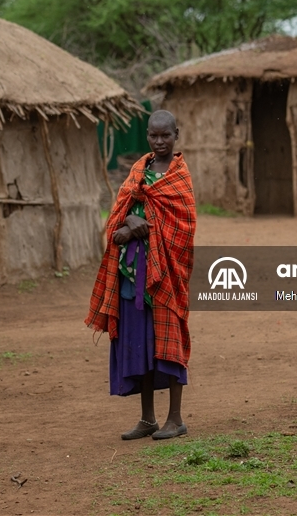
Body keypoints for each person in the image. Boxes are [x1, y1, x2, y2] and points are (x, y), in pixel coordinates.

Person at [86, 110, 196, 440]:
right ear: (146, 136)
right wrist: (127, 226)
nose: (159, 141)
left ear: (177, 134)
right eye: (153, 136)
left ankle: (175, 419)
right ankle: (148, 418)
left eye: (166, 135)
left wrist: (138, 228)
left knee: (169, 341)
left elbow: (183, 227)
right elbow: (117, 219)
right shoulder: (139, 171)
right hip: (133, 275)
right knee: (141, 344)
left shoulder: (179, 177)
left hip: (165, 277)